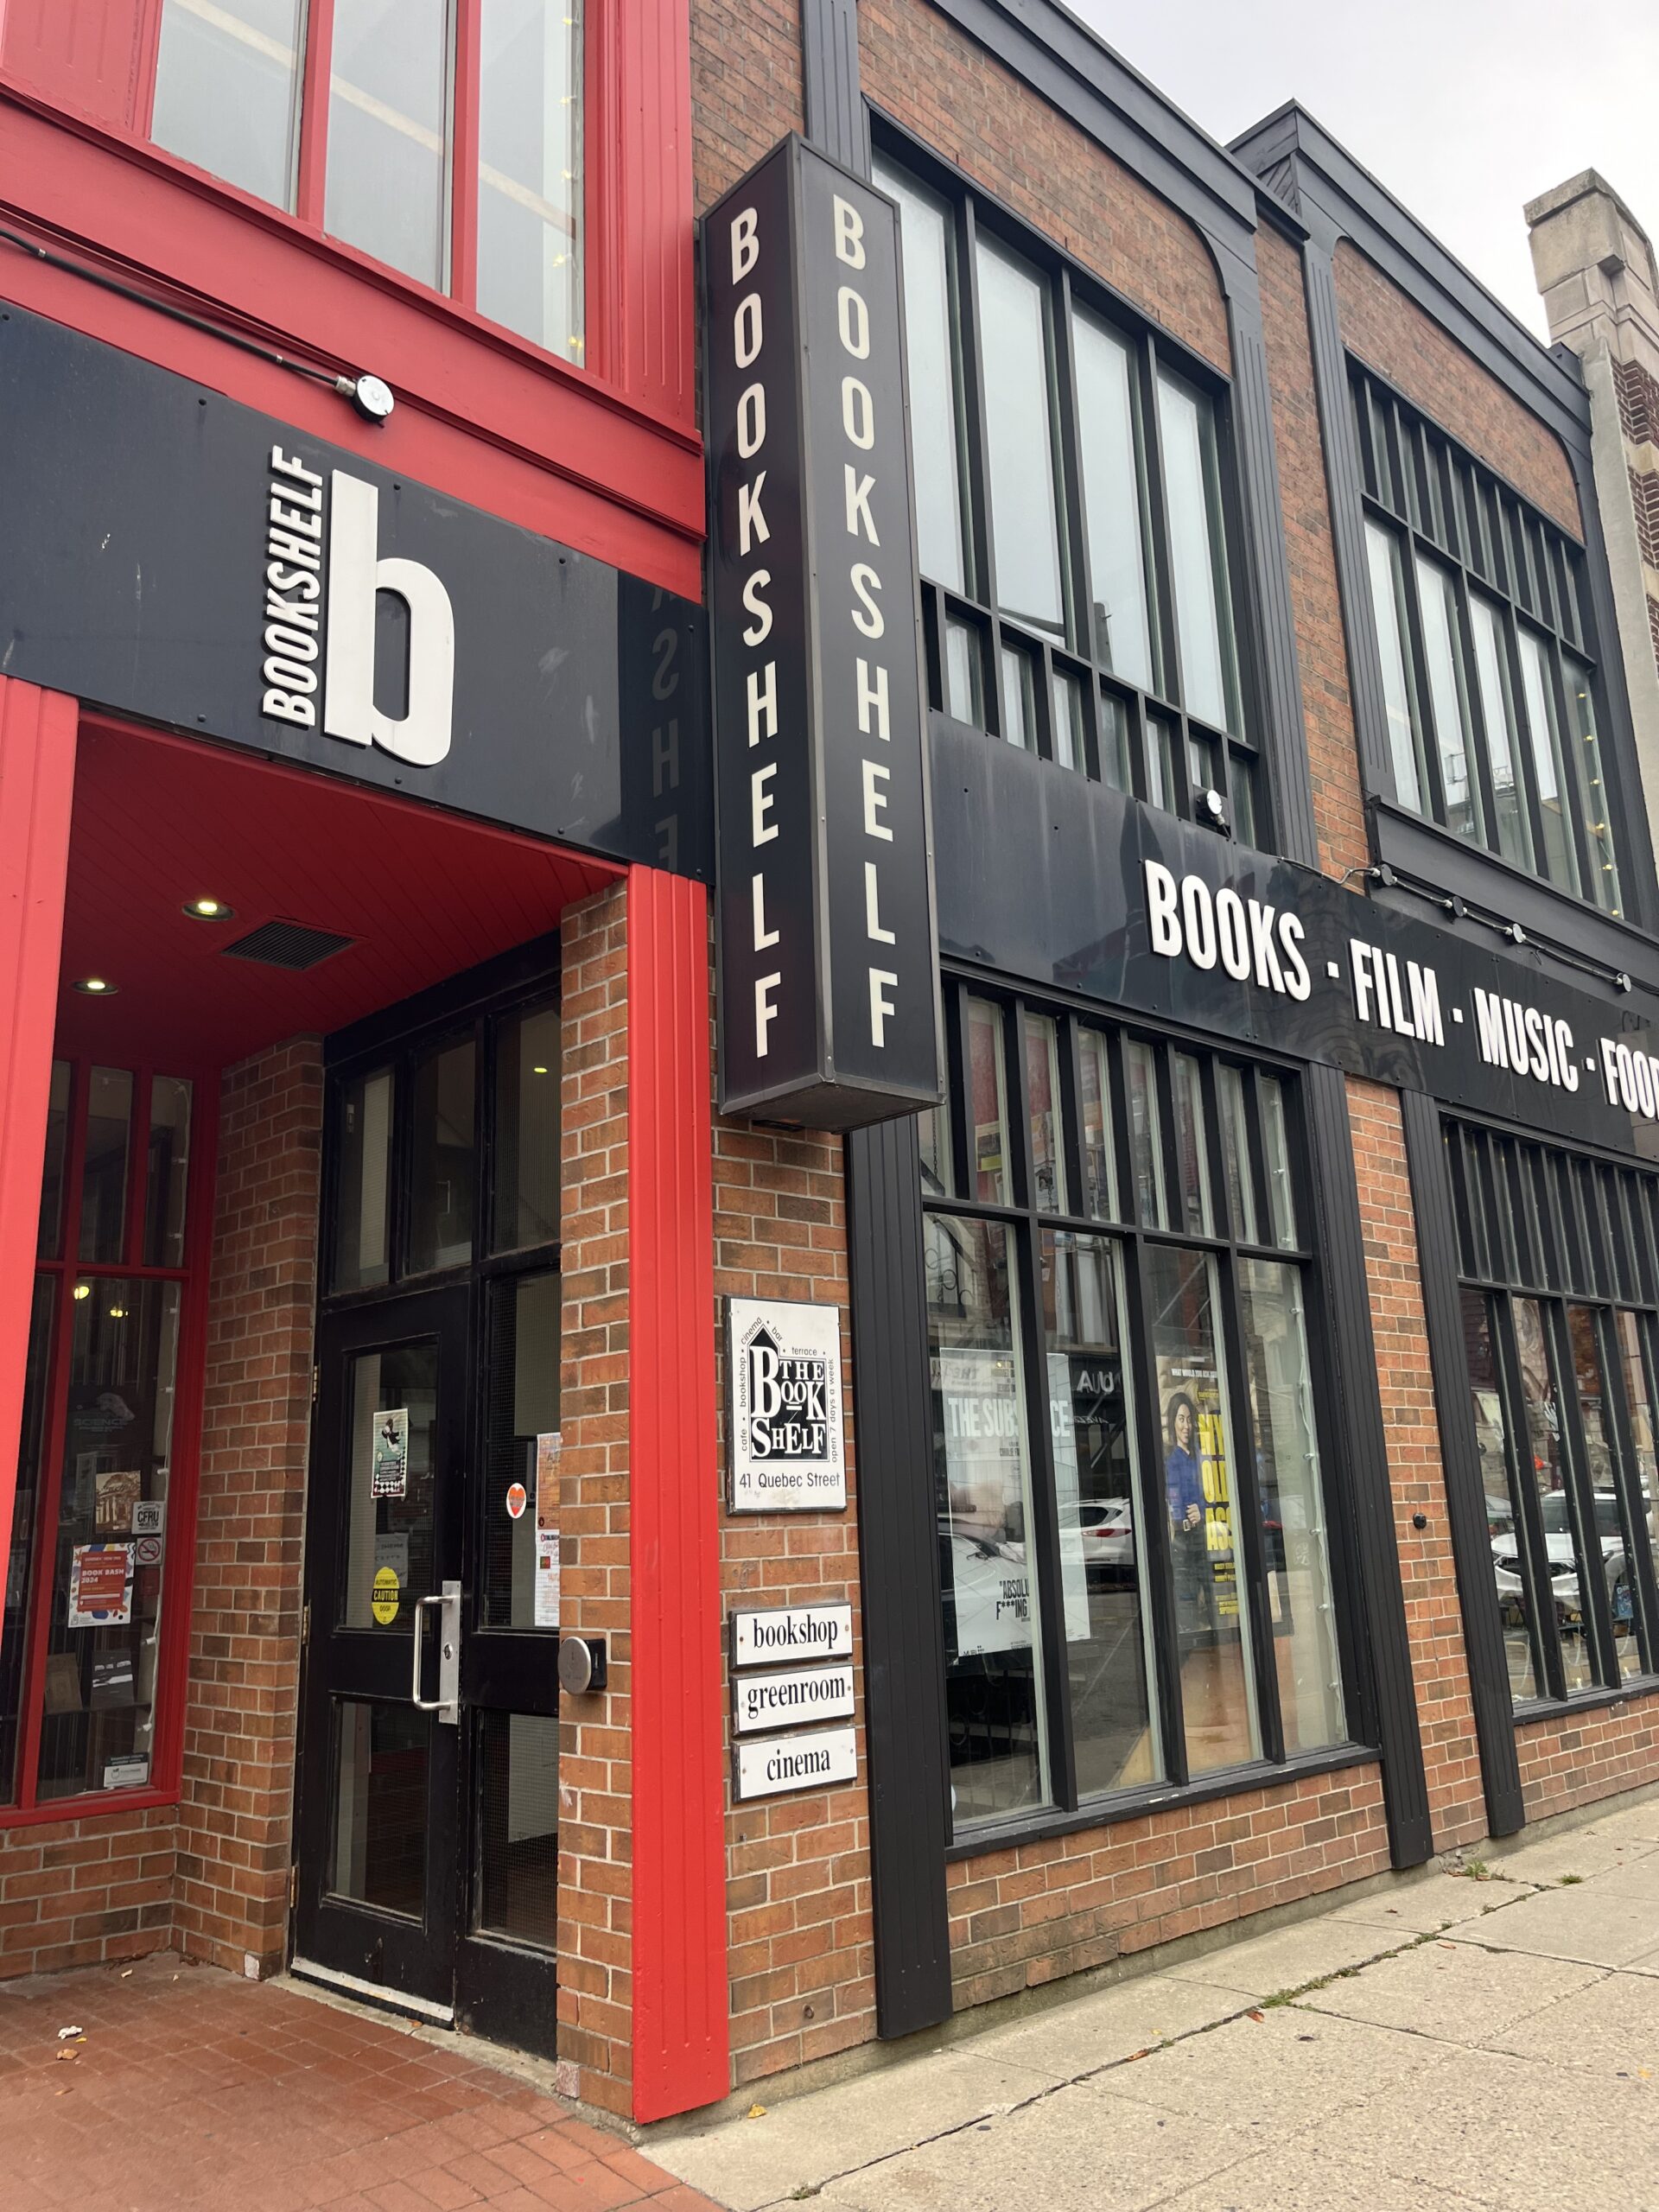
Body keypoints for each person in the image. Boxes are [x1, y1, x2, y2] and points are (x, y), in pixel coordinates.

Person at [1165, 1392, 1212, 1637]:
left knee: (1212, 1589)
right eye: (1181, 1419)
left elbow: (1213, 1494)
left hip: (1203, 1535)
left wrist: (1201, 1510)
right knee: (1187, 1599)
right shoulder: (1170, 1461)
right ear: (1173, 1422)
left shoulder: (1200, 1458)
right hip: (1182, 1540)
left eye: (1189, 1419)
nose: (1186, 1425)